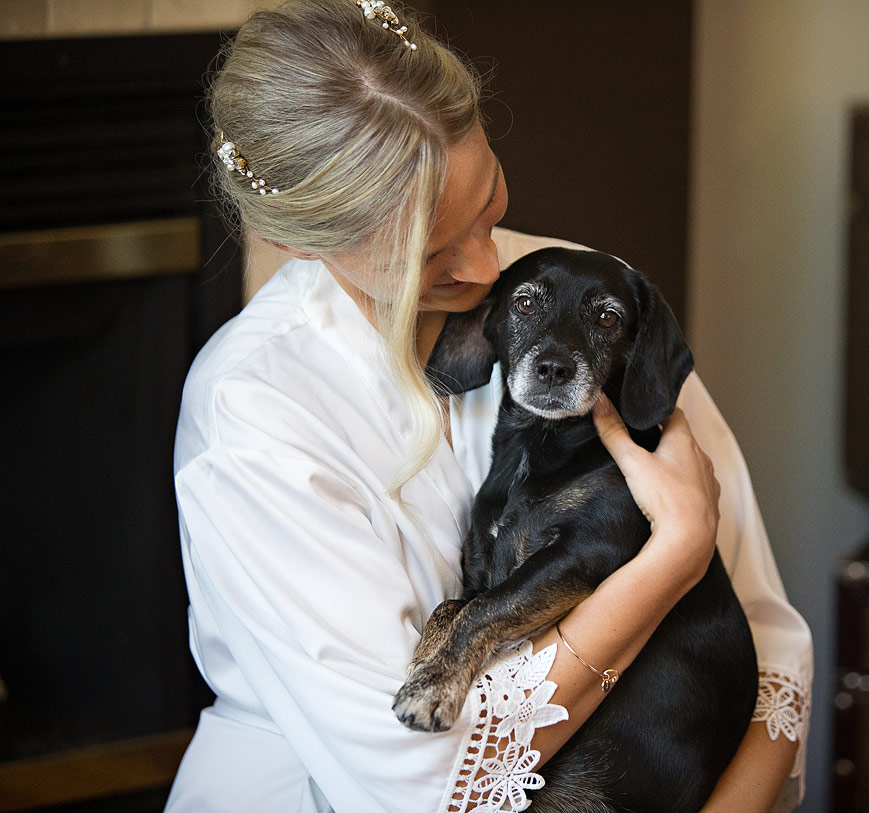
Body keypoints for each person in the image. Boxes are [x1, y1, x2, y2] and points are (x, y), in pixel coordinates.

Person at [166, 1, 813, 811]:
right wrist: (672, 558)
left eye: (489, 204)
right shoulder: (252, 418)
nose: (484, 267)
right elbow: (428, 775)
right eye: (427, 254)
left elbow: (770, 646)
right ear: (306, 242)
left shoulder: (584, 299)